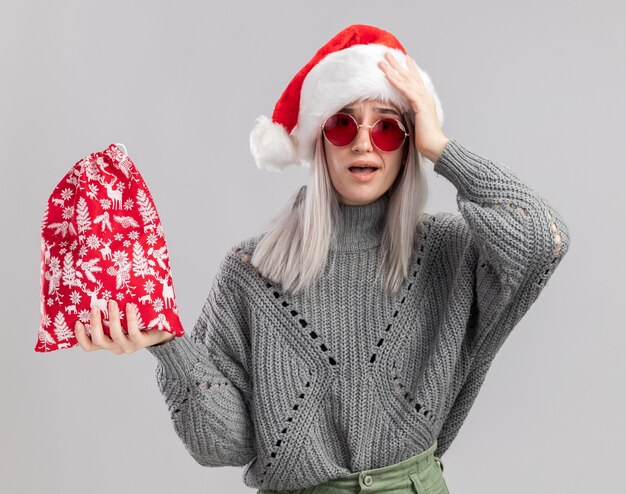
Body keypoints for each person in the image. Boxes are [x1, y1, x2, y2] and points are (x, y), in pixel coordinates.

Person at [75, 24, 570, 494]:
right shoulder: (253, 271)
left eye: (389, 128)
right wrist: (169, 348)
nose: (362, 141)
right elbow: (223, 444)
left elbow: (542, 239)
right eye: (341, 124)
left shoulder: (449, 253)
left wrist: (440, 147)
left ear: (407, 145)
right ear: (318, 141)